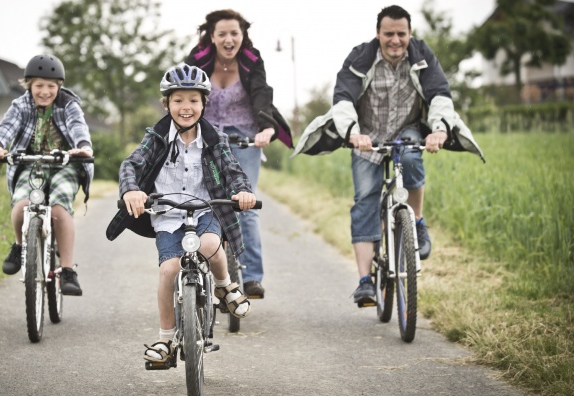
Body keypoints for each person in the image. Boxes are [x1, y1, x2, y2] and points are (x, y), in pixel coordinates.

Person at [291, 5, 484, 306]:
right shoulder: (361, 57)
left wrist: (439, 131)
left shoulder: (422, 55)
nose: (395, 40)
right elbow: (342, 98)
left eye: (401, 34)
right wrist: (353, 132)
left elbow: (440, 96)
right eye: (388, 34)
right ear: (378, 34)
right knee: (365, 201)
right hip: (366, 137)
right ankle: (365, 282)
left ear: (409, 34)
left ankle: (416, 222)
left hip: (407, 130)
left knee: (410, 157)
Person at [105, 64, 256, 363]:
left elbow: (233, 172)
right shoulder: (157, 137)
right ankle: (165, 339)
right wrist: (131, 190)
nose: (186, 107)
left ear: (204, 103)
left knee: (211, 245)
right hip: (167, 214)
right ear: (166, 104)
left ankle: (225, 287)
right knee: (169, 270)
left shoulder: (216, 140)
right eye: (178, 100)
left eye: (193, 100)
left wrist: (242, 191)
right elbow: (130, 165)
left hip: (206, 209)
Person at [185, 9, 294, 298]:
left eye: (235, 33)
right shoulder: (197, 61)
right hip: (205, 136)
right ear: (212, 36)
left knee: (246, 205)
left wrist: (266, 129)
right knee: (201, 203)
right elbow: (183, 97)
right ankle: (197, 269)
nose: (229, 39)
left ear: (243, 35)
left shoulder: (251, 61)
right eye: (222, 33)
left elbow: (261, 94)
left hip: (245, 136)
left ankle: (252, 278)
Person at [0, 54, 94, 296]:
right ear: (29, 85)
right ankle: (19, 245)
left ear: (59, 87)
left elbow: (78, 127)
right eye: (39, 86)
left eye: (51, 86)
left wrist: (83, 147)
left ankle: (67, 270)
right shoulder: (21, 105)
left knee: (58, 210)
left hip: (64, 164)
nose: (45, 91)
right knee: (21, 204)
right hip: (30, 163)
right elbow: (7, 126)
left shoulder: (68, 104)